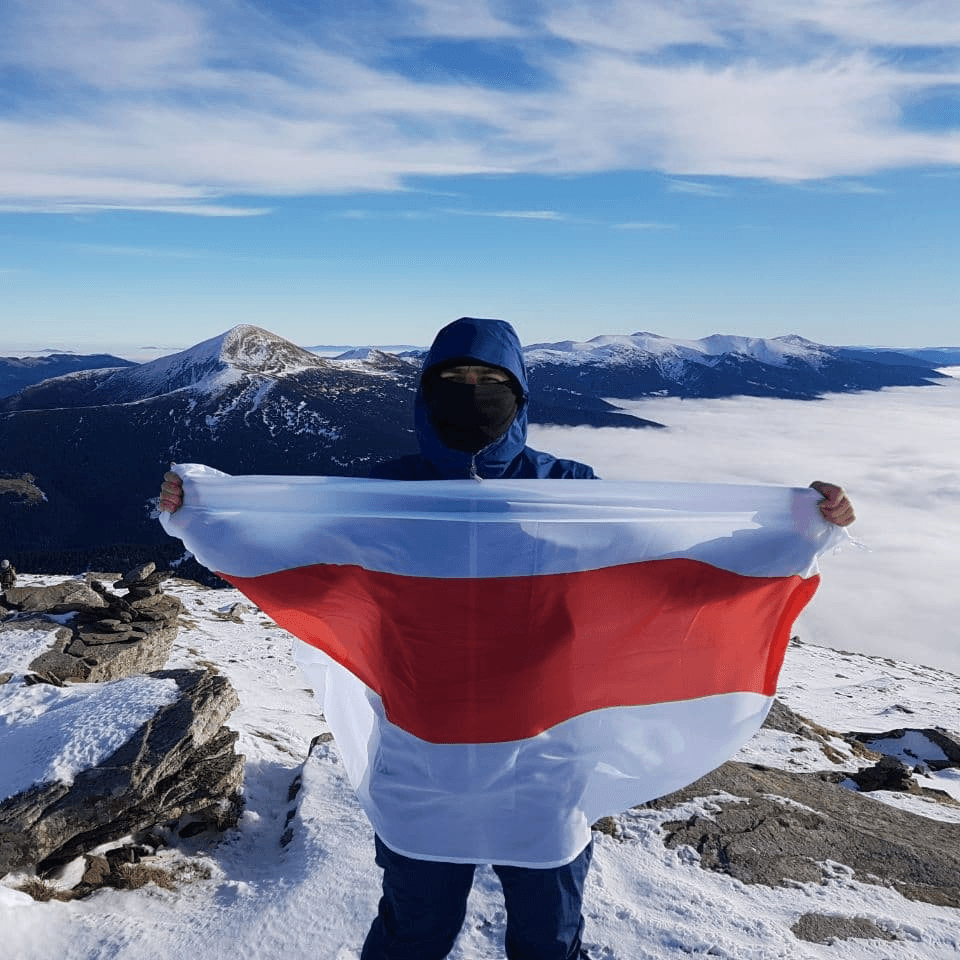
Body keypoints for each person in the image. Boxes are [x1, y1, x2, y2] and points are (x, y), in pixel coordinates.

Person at [159, 317, 855, 959]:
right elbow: (297, 567)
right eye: (454, 381)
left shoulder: (568, 490)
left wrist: (797, 529)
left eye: (492, 381)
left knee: (548, 939)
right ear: (426, 392)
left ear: (519, 395)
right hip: (421, 767)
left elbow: (662, 579)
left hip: (543, 766)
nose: (473, 392)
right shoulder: (386, 494)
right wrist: (200, 512)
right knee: (414, 934)